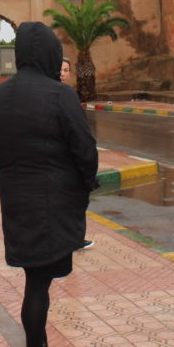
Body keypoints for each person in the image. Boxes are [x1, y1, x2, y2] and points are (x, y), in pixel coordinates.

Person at [0, 22, 99, 347]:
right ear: (51, 53)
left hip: (16, 199)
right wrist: (86, 185)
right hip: (55, 201)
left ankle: (37, 344)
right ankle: (37, 345)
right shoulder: (60, 94)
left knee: (34, 279)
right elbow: (84, 150)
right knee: (39, 282)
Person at [60, 56, 94, 251]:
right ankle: (72, 240)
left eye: (66, 70)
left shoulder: (68, 93)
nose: (62, 74)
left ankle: (74, 239)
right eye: (60, 70)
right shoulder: (60, 94)